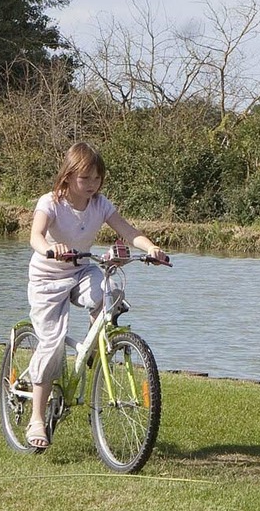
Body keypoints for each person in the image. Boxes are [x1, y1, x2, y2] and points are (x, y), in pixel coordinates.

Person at [24, 142, 168, 450]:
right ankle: (37, 417)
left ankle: (93, 348)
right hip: (47, 278)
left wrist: (151, 248)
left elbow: (128, 231)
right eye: (85, 178)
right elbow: (35, 235)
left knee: (109, 293)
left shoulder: (100, 204)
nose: (92, 185)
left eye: (97, 178)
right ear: (68, 176)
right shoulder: (50, 202)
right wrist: (52, 248)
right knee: (51, 344)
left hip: (80, 271)